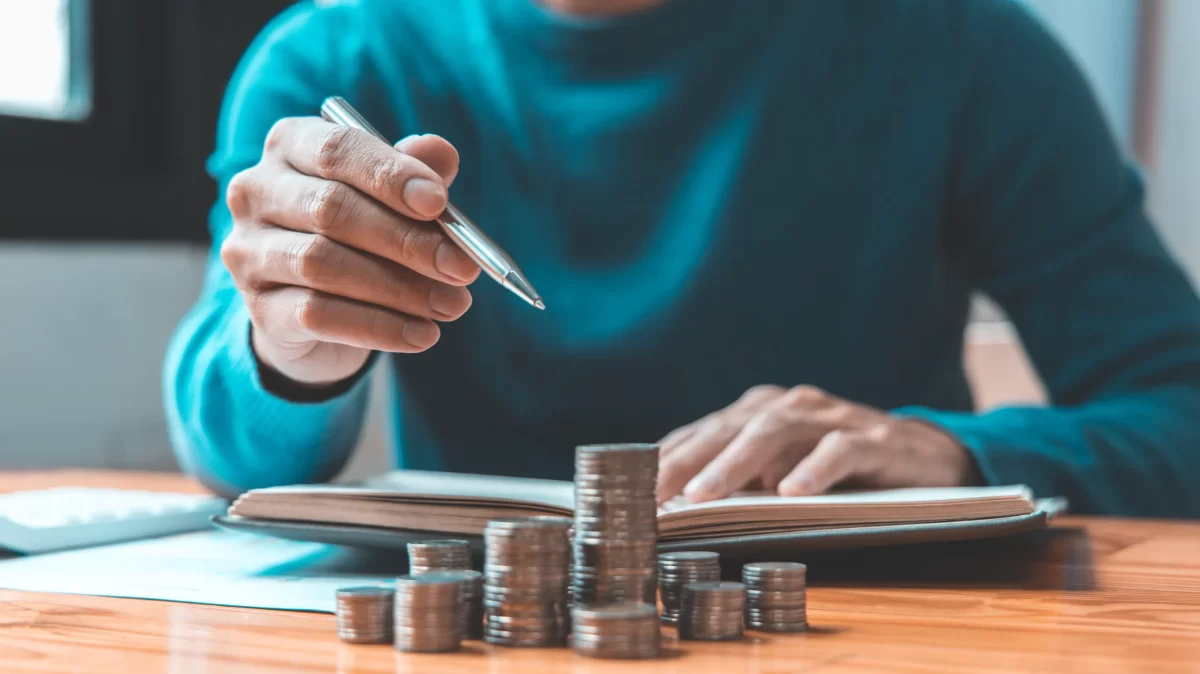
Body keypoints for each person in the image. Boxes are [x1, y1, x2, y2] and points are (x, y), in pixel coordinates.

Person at [164, 0, 1200, 517]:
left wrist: (958, 459)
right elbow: (237, 458)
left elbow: (1180, 405)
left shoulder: (961, 44)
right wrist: (290, 347)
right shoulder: (333, 58)